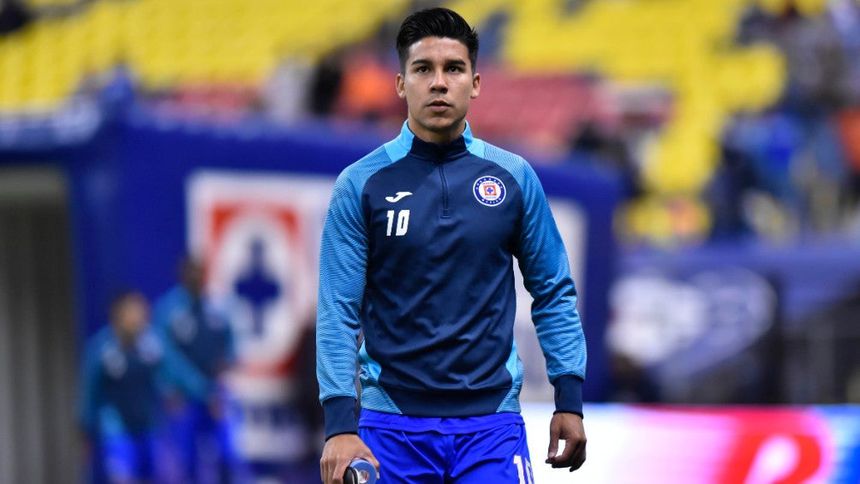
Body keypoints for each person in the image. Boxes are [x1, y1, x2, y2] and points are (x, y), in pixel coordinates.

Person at [316, 8, 587, 484]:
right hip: (390, 428)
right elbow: (338, 310)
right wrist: (340, 424)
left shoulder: (514, 177)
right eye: (423, 69)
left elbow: (553, 291)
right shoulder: (359, 184)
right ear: (400, 84)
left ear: (475, 83)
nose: (439, 83)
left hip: (492, 427)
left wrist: (569, 398)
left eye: (453, 69)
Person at [79, 290, 209, 483]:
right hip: (116, 430)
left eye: (139, 312)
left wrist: (207, 392)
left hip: (150, 426)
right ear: (116, 316)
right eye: (130, 313)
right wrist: (85, 430)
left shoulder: (152, 345)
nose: (136, 318)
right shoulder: (101, 349)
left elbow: (179, 372)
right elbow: (89, 394)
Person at [152, 258, 236, 482]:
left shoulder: (216, 306)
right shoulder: (168, 309)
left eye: (200, 273)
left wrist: (224, 365)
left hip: (215, 394)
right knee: (185, 459)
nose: (197, 278)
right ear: (182, 276)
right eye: (192, 273)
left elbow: (232, 344)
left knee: (227, 454)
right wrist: (188, 386)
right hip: (182, 396)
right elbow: (165, 357)